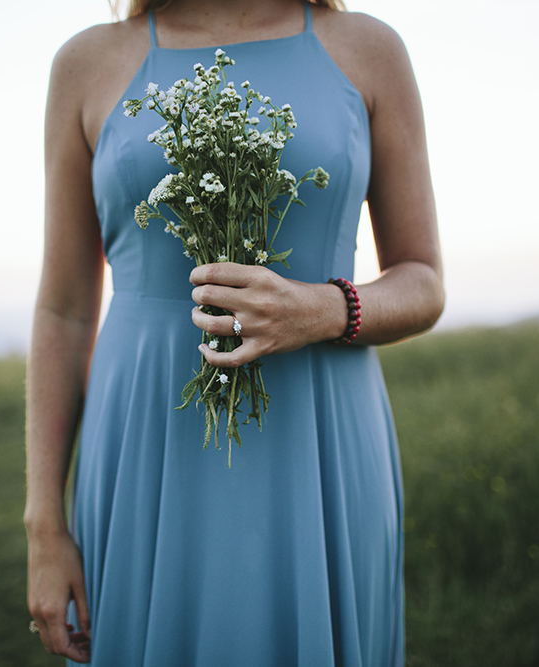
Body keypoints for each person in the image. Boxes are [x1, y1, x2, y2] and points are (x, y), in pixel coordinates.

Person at [24, 0, 443, 663]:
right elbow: (65, 310)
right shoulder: (88, 62)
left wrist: (323, 309)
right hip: (145, 447)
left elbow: (423, 280)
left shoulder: (368, 49)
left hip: (321, 443)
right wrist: (43, 524)